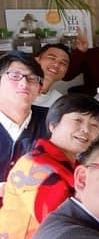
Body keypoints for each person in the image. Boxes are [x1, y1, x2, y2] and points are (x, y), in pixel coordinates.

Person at [0, 93, 99, 239]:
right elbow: (63, 228)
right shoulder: (36, 167)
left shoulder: (71, 166)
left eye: (94, 125)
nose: (86, 130)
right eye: (78, 120)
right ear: (53, 125)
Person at [0, 51, 49, 190]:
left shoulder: (53, 122)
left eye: (32, 78)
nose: (24, 83)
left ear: (40, 89)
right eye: (15, 76)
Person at [33, 42, 71, 107]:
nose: (56, 65)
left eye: (63, 63)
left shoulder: (60, 103)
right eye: (51, 58)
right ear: (37, 60)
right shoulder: (16, 90)